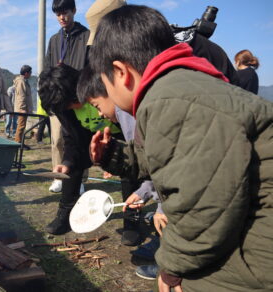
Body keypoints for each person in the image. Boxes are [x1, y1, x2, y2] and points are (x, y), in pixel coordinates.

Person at [89, 4, 273, 291]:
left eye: (104, 84)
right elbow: (168, 158)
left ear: (120, 72)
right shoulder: (180, 86)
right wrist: (114, 156)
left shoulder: (169, 99)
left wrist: (172, 266)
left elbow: (205, 206)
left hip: (261, 245)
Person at [77, 65, 164, 278]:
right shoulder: (130, 112)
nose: (99, 114)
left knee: (166, 226)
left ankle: (168, 269)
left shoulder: (129, 114)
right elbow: (152, 162)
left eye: (97, 105)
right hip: (168, 191)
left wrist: (162, 208)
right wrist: (144, 191)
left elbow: (168, 166)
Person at [38, 64, 123, 235]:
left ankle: (131, 220)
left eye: (71, 103)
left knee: (128, 168)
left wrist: (114, 159)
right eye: (65, 107)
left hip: (121, 135)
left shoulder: (101, 89)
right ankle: (66, 213)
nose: (70, 108)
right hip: (88, 140)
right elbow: (72, 139)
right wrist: (67, 162)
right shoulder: (64, 105)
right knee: (71, 168)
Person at [44, 0, 90, 193]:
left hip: (79, 99)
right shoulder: (54, 40)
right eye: (58, 14)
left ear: (74, 11)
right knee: (57, 140)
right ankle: (59, 177)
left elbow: (91, 67)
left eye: (65, 12)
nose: (62, 17)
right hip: (58, 98)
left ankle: (80, 179)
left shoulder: (87, 36)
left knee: (80, 139)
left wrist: (85, 93)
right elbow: (48, 67)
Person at [13, 65, 33, 150]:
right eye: (30, 73)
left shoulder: (23, 81)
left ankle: (20, 142)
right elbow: (21, 96)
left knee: (22, 125)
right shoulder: (21, 81)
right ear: (26, 73)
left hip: (24, 108)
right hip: (22, 109)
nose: (31, 74)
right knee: (21, 126)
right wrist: (22, 108)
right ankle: (18, 144)